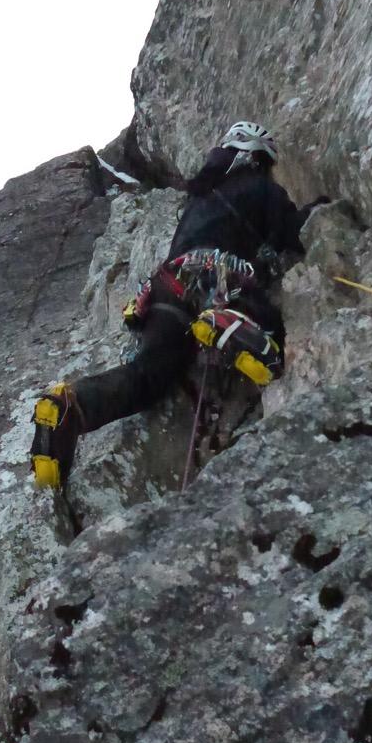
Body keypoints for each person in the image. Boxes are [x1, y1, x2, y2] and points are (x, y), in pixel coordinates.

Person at [31, 121, 325, 488]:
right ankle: (229, 323)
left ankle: (70, 407)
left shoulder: (198, 199)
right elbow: (290, 233)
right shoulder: (261, 187)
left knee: (149, 377)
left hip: (165, 289)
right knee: (270, 323)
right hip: (217, 278)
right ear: (256, 158)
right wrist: (317, 209)